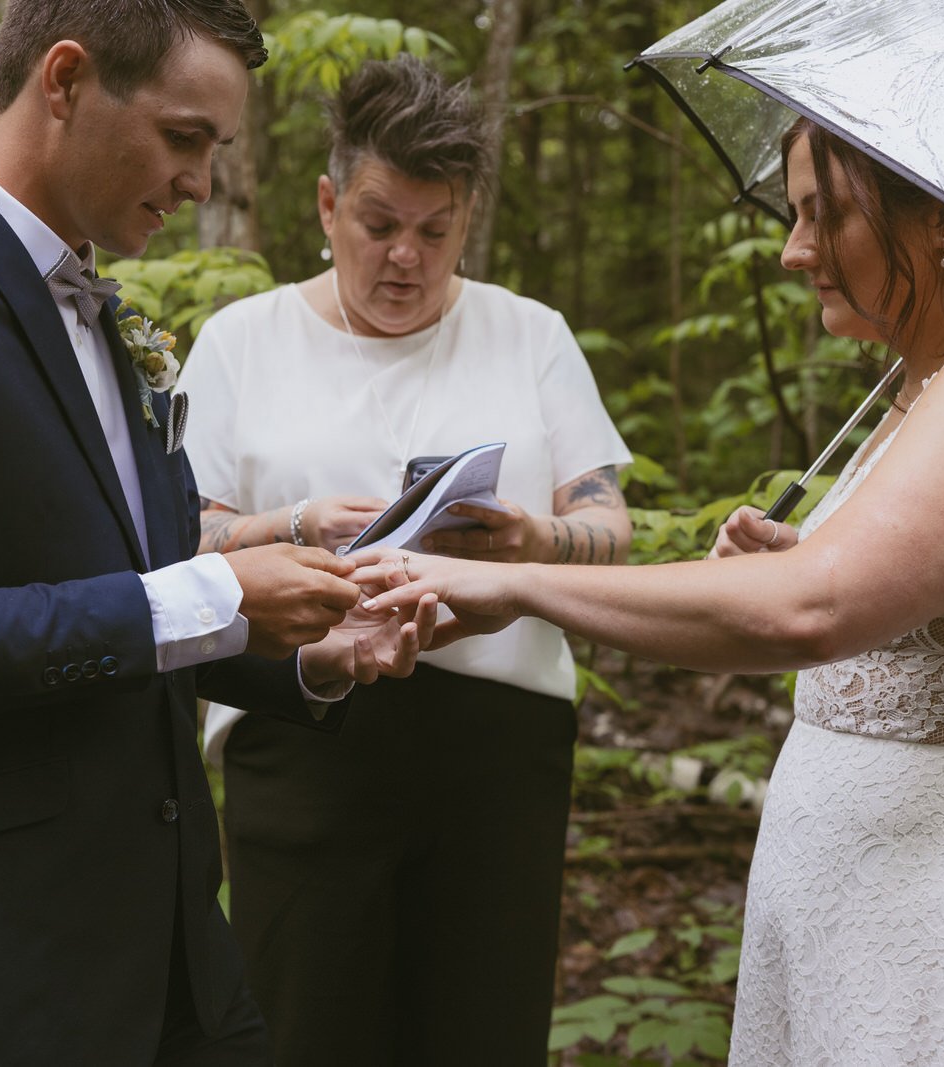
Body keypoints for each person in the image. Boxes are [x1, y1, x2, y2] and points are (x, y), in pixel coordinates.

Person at [357, 117, 944, 1063]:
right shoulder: (932, 380)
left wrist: (520, 584)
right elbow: (907, 609)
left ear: (940, 214)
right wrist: (792, 557)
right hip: (882, 926)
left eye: (825, 215)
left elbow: (815, 609)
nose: (791, 248)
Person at [0, 3, 436, 1065]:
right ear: (64, 80)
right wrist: (222, 595)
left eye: (216, 148)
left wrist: (311, 660)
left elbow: (134, 612)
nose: (201, 183)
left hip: (172, 963)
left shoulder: (113, 320)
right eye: (184, 136)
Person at [173, 54, 632, 1067]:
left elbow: (607, 517)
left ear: (466, 218)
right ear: (329, 204)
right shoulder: (241, 342)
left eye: (435, 230)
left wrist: (533, 541)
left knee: (483, 1028)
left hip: (497, 743)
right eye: (380, 225)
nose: (406, 259)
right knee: (302, 1026)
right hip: (299, 727)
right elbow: (179, 540)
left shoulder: (531, 334)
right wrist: (290, 525)